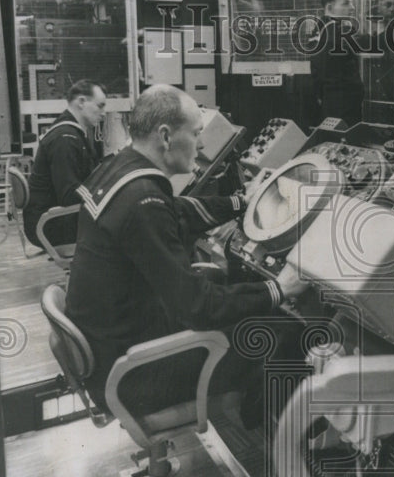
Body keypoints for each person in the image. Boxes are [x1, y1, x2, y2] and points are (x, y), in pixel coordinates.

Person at [64, 84, 309, 421]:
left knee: (234, 296)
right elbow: (198, 307)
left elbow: (176, 210)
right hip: (134, 375)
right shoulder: (143, 201)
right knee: (283, 332)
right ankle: (272, 436)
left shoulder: (120, 168)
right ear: (165, 136)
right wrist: (280, 288)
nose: (203, 142)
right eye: (196, 133)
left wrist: (241, 201)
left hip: (112, 348)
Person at [23, 79, 106, 248]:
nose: (104, 113)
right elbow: (69, 194)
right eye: (100, 106)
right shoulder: (65, 139)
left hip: (53, 218)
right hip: (51, 225)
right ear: (81, 102)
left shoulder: (71, 132)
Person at [309, 0, 386, 127]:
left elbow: (316, 72)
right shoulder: (340, 31)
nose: (352, 8)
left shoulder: (317, 30)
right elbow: (380, 43)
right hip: (345, 109)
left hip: (329, 104)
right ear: (330, 8)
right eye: (346, 3)